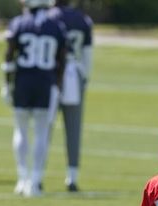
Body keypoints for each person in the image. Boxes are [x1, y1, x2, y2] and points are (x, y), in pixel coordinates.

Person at [2, 0, 66, 197]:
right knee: (41, 133)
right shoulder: (56, 26)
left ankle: (22, 178)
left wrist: (7, 83)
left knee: (20, 129)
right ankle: (35, 180)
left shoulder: (19, 23)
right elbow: (61, 59)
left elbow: (9, 55)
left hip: (23, 81)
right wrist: (57, 85)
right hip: (44, 83)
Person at [50, 0, 93, 192]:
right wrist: (84, 76)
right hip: (75, 73)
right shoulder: (83, 19)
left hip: (51, 74)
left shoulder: (49, 16)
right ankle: (72, 176)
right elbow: (87, 54)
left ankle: (35, 175)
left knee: (45, 128)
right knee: (73, 128)